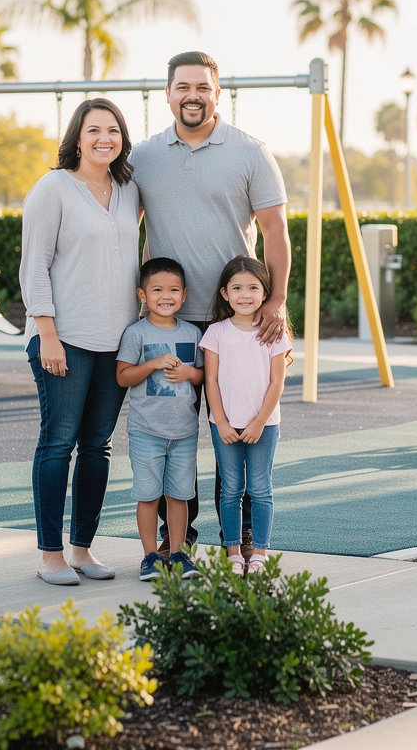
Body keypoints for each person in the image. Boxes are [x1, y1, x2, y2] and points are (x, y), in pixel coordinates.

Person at [130, 50, 291, 560]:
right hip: (168, 320)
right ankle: (179, 543)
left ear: (217, 94)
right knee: (174, 434)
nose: (192, 95)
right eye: (183, 87)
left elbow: (274, 232)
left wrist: (278, 303)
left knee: (234, 430)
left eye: (202, 86)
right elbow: (120, 231)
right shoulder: (144, 156)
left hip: (232, 321)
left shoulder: (250, 153)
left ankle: (239, 540)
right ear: (168, 94)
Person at [19, 97, 140, 586]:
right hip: (63, 339)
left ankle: (82, 550)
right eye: (94, 130)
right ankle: (50, 555)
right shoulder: (53, 189)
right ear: (77, 136)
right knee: (58, 443)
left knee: (98, 447)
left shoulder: (129, 190)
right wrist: (47, 332)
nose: (103, 139)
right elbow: (35, 265)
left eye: (112, 131)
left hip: (116, 342)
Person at [200, 256, 293, 575]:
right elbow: (210, 381)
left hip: (263, 426)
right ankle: (234, 553)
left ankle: (260, 553)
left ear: (265, 293)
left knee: (260, 488)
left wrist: (257, 422)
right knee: (231, 489)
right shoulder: (215, 333)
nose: (245, 294)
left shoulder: (274, 333)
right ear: (225, 293)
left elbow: (277, 382)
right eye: (237, 287)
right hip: (223, 426)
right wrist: (222, 422)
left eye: (253, 287)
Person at [116, 257, 204, 581]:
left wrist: (189, 372)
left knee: (179, 495)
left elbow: (201, 376)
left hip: (184, 431)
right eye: (157, 290)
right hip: (146, 431)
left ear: (184, 295)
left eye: (173, 290)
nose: (165, 296)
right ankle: (150, 556)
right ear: (142, 295)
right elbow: (123, 377)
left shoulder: (193, 333)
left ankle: (178, 553)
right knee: (149, 495)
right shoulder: (136, 334)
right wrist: (152, 364)